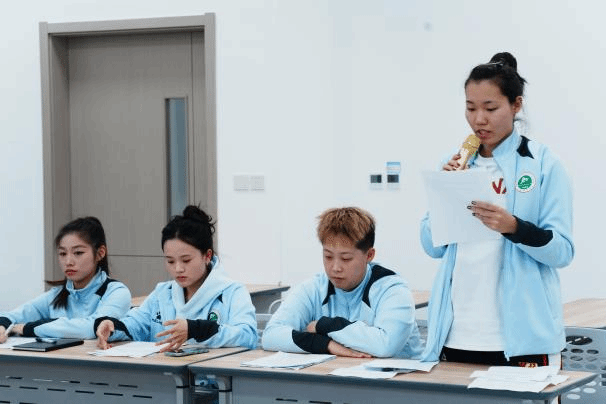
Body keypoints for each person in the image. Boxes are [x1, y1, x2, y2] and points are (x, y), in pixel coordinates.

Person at [421, 52, 574, 368]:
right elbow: (432, 247)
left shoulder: (543, 164)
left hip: (522, 340)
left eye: (490, 108)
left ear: (516, 105)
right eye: (470, 108)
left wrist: (514, 227)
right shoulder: (455, 164)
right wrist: (446, 194)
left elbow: (562, 251)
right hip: (456, 336)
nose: (479, 119)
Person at [262, 207, 423, 358]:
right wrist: (326, 345)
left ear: (369, 255)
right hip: (339, 374)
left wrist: (323, 325)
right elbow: (270, 336)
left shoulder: (392, 289)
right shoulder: (313, 288)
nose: (335, 268)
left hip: (401, 377)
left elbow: (385, 345)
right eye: (328, 256)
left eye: (346, 258)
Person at [95, 205, 257, 352]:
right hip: (164, 372)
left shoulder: (232, 292)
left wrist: (195, 329)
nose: (178, 268)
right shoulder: (163, 292)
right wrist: (112, 327)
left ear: (207, 256)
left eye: (186, 260)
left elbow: (248, 336)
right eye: (170, 261)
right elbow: (137, 324)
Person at [0, 217, 131, 343]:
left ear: (100, 253)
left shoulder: (117, 292)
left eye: (78, 253)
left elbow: (92, 327)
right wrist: (2, 326)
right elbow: (13, 316)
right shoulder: (56, 295)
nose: (68, 262)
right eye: (62, 253)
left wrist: (28, 328)